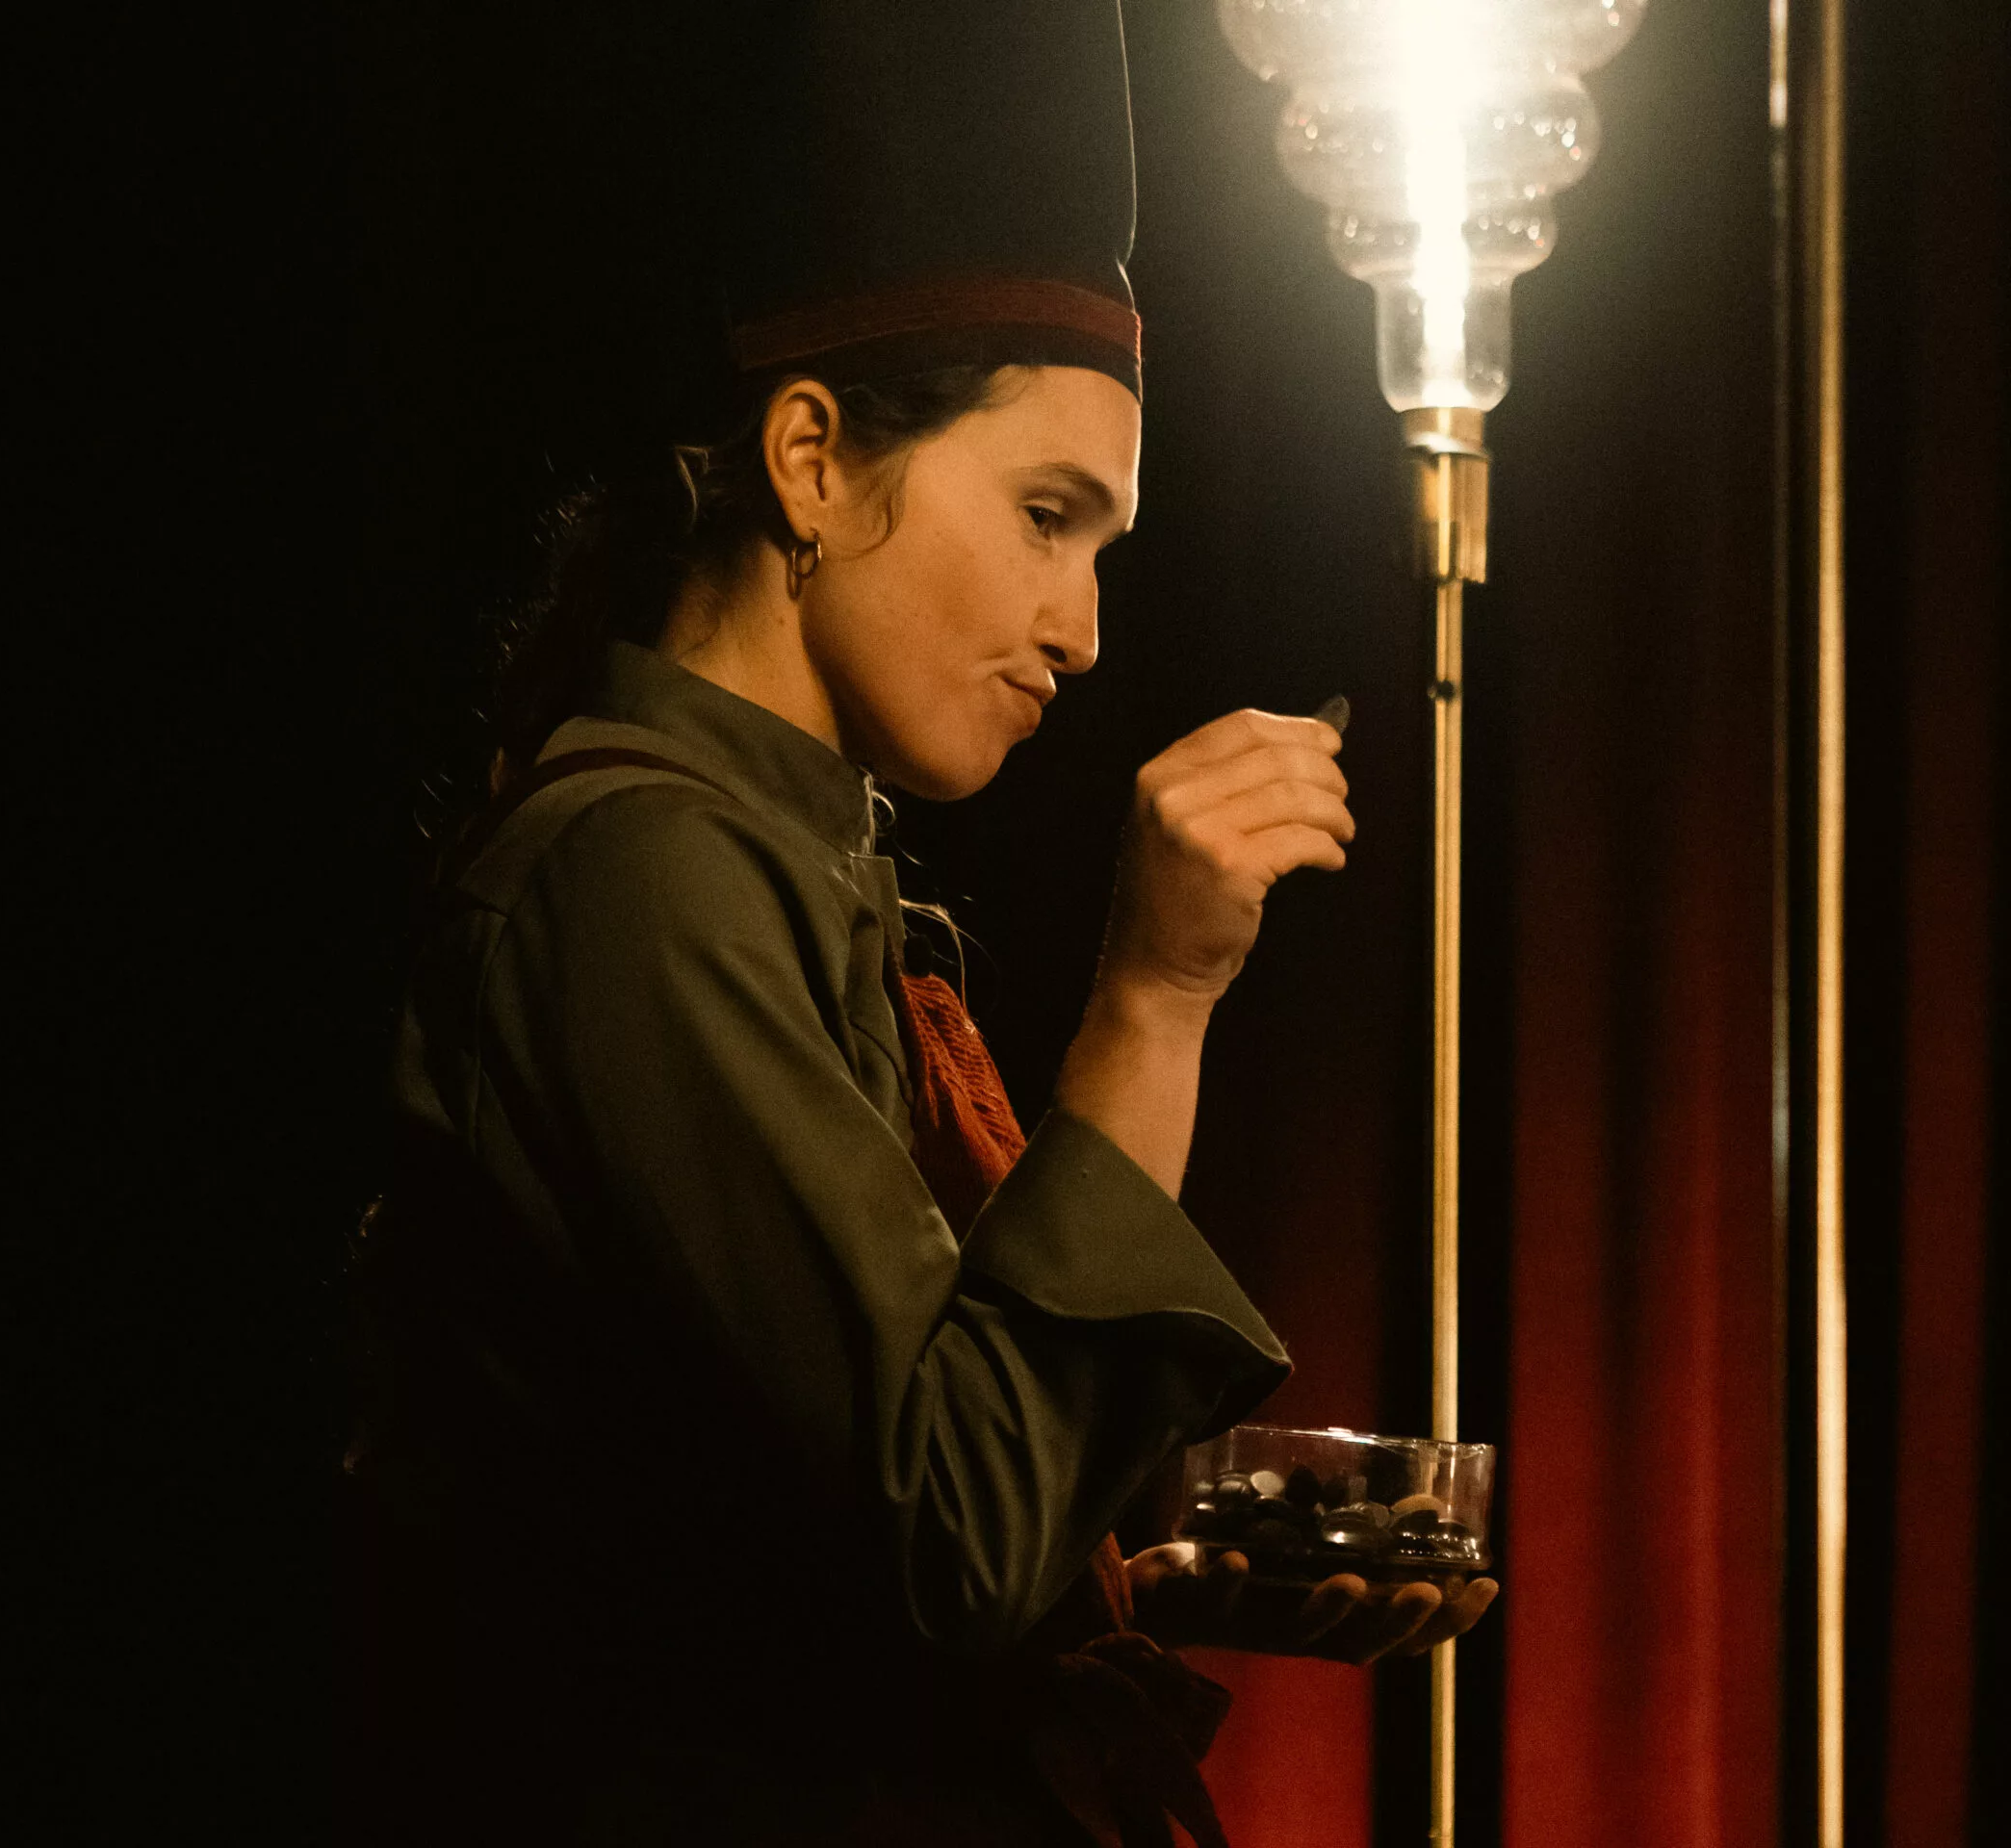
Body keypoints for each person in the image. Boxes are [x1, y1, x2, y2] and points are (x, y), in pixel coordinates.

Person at [366, 5, 1494, 1841]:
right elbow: (949, 1532)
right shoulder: (638, 874)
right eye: (1048, 516)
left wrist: (1134, 1573)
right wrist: (1158, 993)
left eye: (1105, 548)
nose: (1086, 629)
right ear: (811, 459)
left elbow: (805, 1531)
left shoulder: (794, 866)